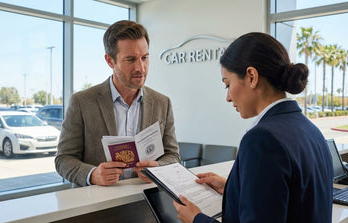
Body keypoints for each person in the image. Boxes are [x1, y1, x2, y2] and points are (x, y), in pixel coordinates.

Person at [173, 32, 333, 223]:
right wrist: (234, 188)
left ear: (251, 76)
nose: (228, 97)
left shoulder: (262, 140)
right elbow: (294, 199)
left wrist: (196, 219)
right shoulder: (309, 129)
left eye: (227, 84)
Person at [55, 20, 180, 187]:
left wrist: (158, 168)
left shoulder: (162, 103)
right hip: (98, 207)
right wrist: (93, 175)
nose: (141, 68)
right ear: (110, 61)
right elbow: (63, 159)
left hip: (145, 204)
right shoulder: (82, 102)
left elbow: (173, 155)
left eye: (144, 58)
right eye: (130, 59)